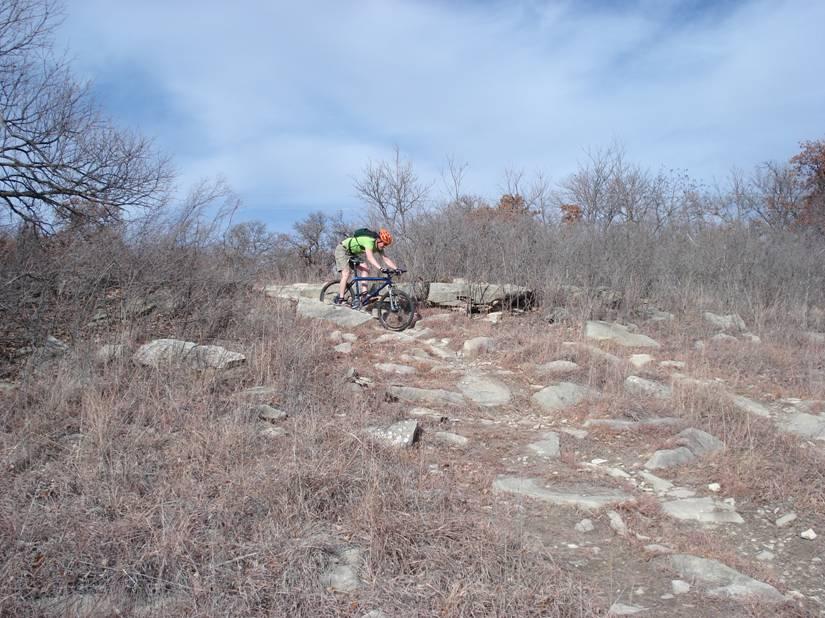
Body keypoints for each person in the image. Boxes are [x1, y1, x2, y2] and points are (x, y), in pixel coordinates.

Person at [334, 228, 399, 306]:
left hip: (352, 253)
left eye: (386, 245)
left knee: (366, 269)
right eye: (384, 244)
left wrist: (396, 269)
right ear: (379, 240)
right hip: (342, 250)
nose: (384, 246)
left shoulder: (379, 246)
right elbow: (370, 258)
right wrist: (381, 268)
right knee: (346, 273)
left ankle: (364, 296)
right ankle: (341, 299)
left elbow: (386, 259)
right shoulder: (369, 241)